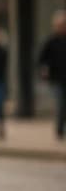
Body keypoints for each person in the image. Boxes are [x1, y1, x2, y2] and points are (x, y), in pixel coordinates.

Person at [37, 10, 66, 140]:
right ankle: (60, 130)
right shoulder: (51, 41)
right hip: (57, 79)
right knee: (61, 104)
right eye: (60, 25)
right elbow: (41, 59)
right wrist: (45, 70)